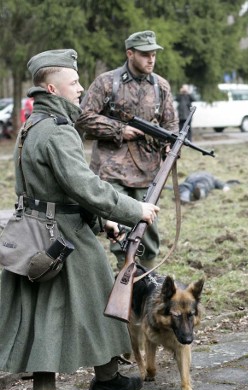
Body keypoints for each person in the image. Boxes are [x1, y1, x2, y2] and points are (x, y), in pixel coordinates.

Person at [0, 49, 160, 390]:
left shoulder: (31, 126)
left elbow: (57, 188)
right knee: (102, 298)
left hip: (38, 231)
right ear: (52, 87)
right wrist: (132, 210)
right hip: (62, 236)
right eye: (73, 83)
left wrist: (100, 220)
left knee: (48, 315)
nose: (80, 88)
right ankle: (103, 379)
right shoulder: (57, 131)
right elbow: (84, 185)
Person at [77, 30, 178, 269]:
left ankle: (147, 281)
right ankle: (125, 284)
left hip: (148, 172)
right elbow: (82, 117)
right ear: (130, 53)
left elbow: (171, 124)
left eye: (153, 54)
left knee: (149, 233)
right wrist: (118, 129)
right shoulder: (106, 82)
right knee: (120, 233)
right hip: (112, 170)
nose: (151, 59)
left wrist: (170, 146)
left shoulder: (160, 86)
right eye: (144, 54)